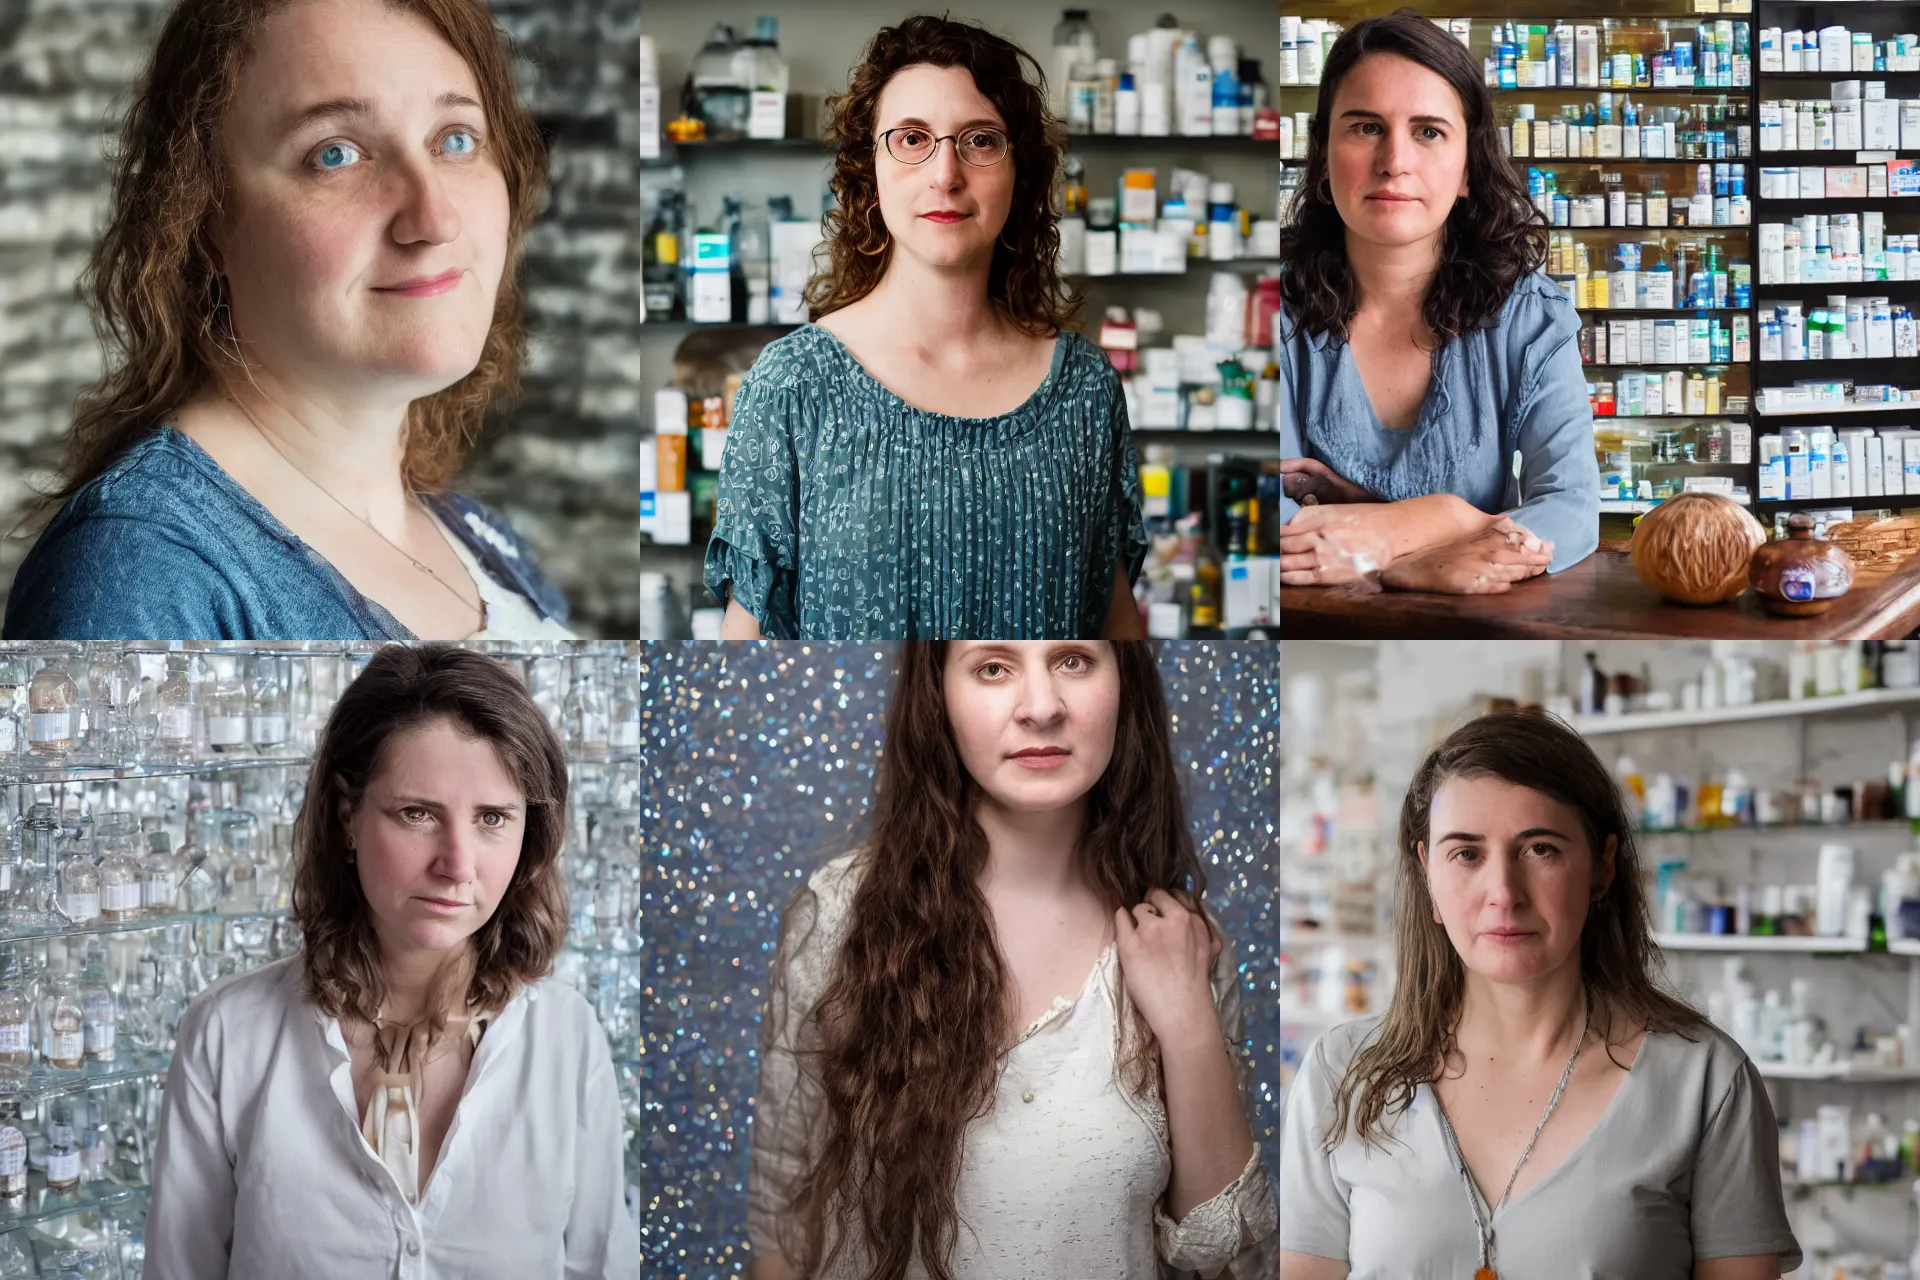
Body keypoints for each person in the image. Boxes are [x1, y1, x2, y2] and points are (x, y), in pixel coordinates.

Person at [3, 0, 573, 641]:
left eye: (455, 139)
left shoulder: (477, 536)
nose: (434, 220)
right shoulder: (139, 575)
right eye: (335, 154)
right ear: (204, 224)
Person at [748, 640, 1274, 1280]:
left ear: (1124, 682)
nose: (1041, 708)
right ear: (937, 694)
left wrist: (1188, 1023)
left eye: (1074, 660)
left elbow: (1217, 1251)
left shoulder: (1183, 941)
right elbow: (781, 1226)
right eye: (993, 668)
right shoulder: (840, 913)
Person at [143, 645, 636, 1278]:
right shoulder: (227, 1034)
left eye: (492, 818)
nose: (456, 865)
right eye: (417, 814)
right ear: (346, 818)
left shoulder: (567, 1038)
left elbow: (600, 1266)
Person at [1279, 709, 1801, 1279]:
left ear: (1601, 869)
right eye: (1467, 854)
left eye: (1541, 849)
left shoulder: (1705, 1082)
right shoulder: (1340, 1074)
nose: (1504, 893)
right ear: (1428, 873)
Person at [705, 16, 1147, 641]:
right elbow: (743, 652)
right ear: (870, 169)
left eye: (981, 140)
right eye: (912, 139)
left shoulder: (1084, 391)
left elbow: (1116, 627)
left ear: (1019, 172)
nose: (945, 174)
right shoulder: (790, 387)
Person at [1278, 9, 1601, 596]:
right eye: (1365, 127)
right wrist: (1451, 525)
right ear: (1323, 156)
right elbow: (1269, 533)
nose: (1394, 161)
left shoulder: (1530, 317)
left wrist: (1394, 534)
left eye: (1428, 131)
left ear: (1467, 170)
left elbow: (1573, 508)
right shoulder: (1272, 313)